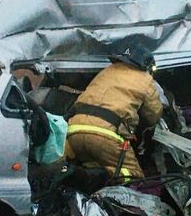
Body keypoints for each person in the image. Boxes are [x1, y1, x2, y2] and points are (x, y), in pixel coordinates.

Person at [66, 44, 163, 180]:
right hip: (106, 136)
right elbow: (153, 115)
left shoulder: (106, 71)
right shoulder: (145, 80)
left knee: (90, 170)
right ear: (147, 66)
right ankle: (107, 176)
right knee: (134, 175)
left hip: (74, 132)